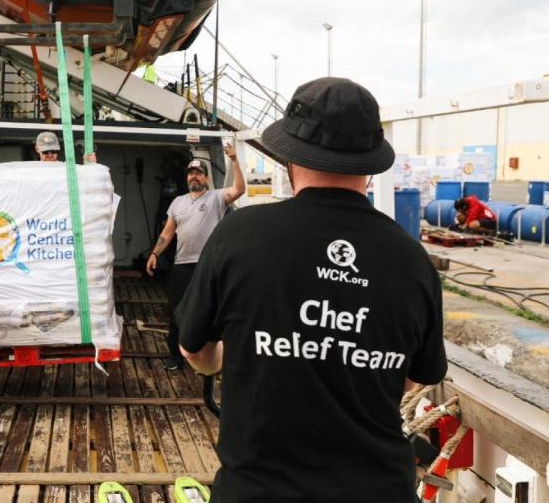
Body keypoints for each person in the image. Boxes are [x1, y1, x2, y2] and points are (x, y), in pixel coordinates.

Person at [178, 77, 447, 502]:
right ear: (370, 162)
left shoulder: (240, 236)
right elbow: (415, 378)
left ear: (288, 157)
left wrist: (235, 358)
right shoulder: (412, 260)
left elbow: (195, 350)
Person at [146, 145, 245, 370]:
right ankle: (175, 357)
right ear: (187, 177)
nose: (195, 176)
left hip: (207, 266)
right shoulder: (178, 202)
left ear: (207, 179)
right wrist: (154, 253)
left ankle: (206, 359)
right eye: (191, 173)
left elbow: (239, 189)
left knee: (209, 311)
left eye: (199, 173)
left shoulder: (216, 198)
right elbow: (168, 232)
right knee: (176, 311)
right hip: (182, 266)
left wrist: (235, 160)